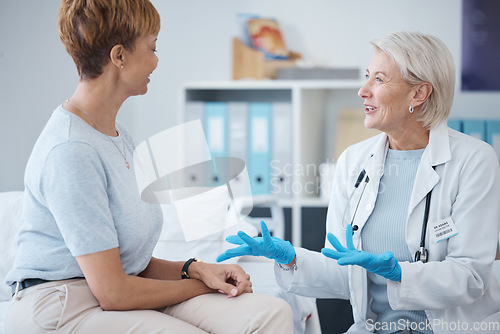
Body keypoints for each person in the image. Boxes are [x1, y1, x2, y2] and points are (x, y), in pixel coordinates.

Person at [4, 1, 293, 333]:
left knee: (270, 313)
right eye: (152, 47)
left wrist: (195, 269)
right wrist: (204, 285)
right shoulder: (72, 150)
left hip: (112, 293)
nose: (157, 60)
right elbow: (114, 291)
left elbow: (127, 263)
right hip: (60, 305)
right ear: (119, 56)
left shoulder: (115, 135)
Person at [217, 31, 500, 333]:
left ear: (419, 93)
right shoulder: (353, 161)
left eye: (379, 79)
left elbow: (471, 277)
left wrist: (399, 273)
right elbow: (345, 274)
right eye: (367, 76)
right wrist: (291, 258)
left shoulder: (474, 160)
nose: (363, 90)